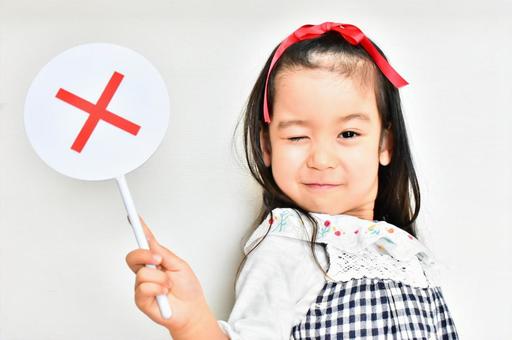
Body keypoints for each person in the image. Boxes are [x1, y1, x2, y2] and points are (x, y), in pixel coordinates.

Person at [125, 21, 460, 339]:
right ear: (267, 146)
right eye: (298, 137)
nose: (321, 159)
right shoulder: (288, 246)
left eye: (348, 133)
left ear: (385, 144)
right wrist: (192, 321)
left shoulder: (405, 253)